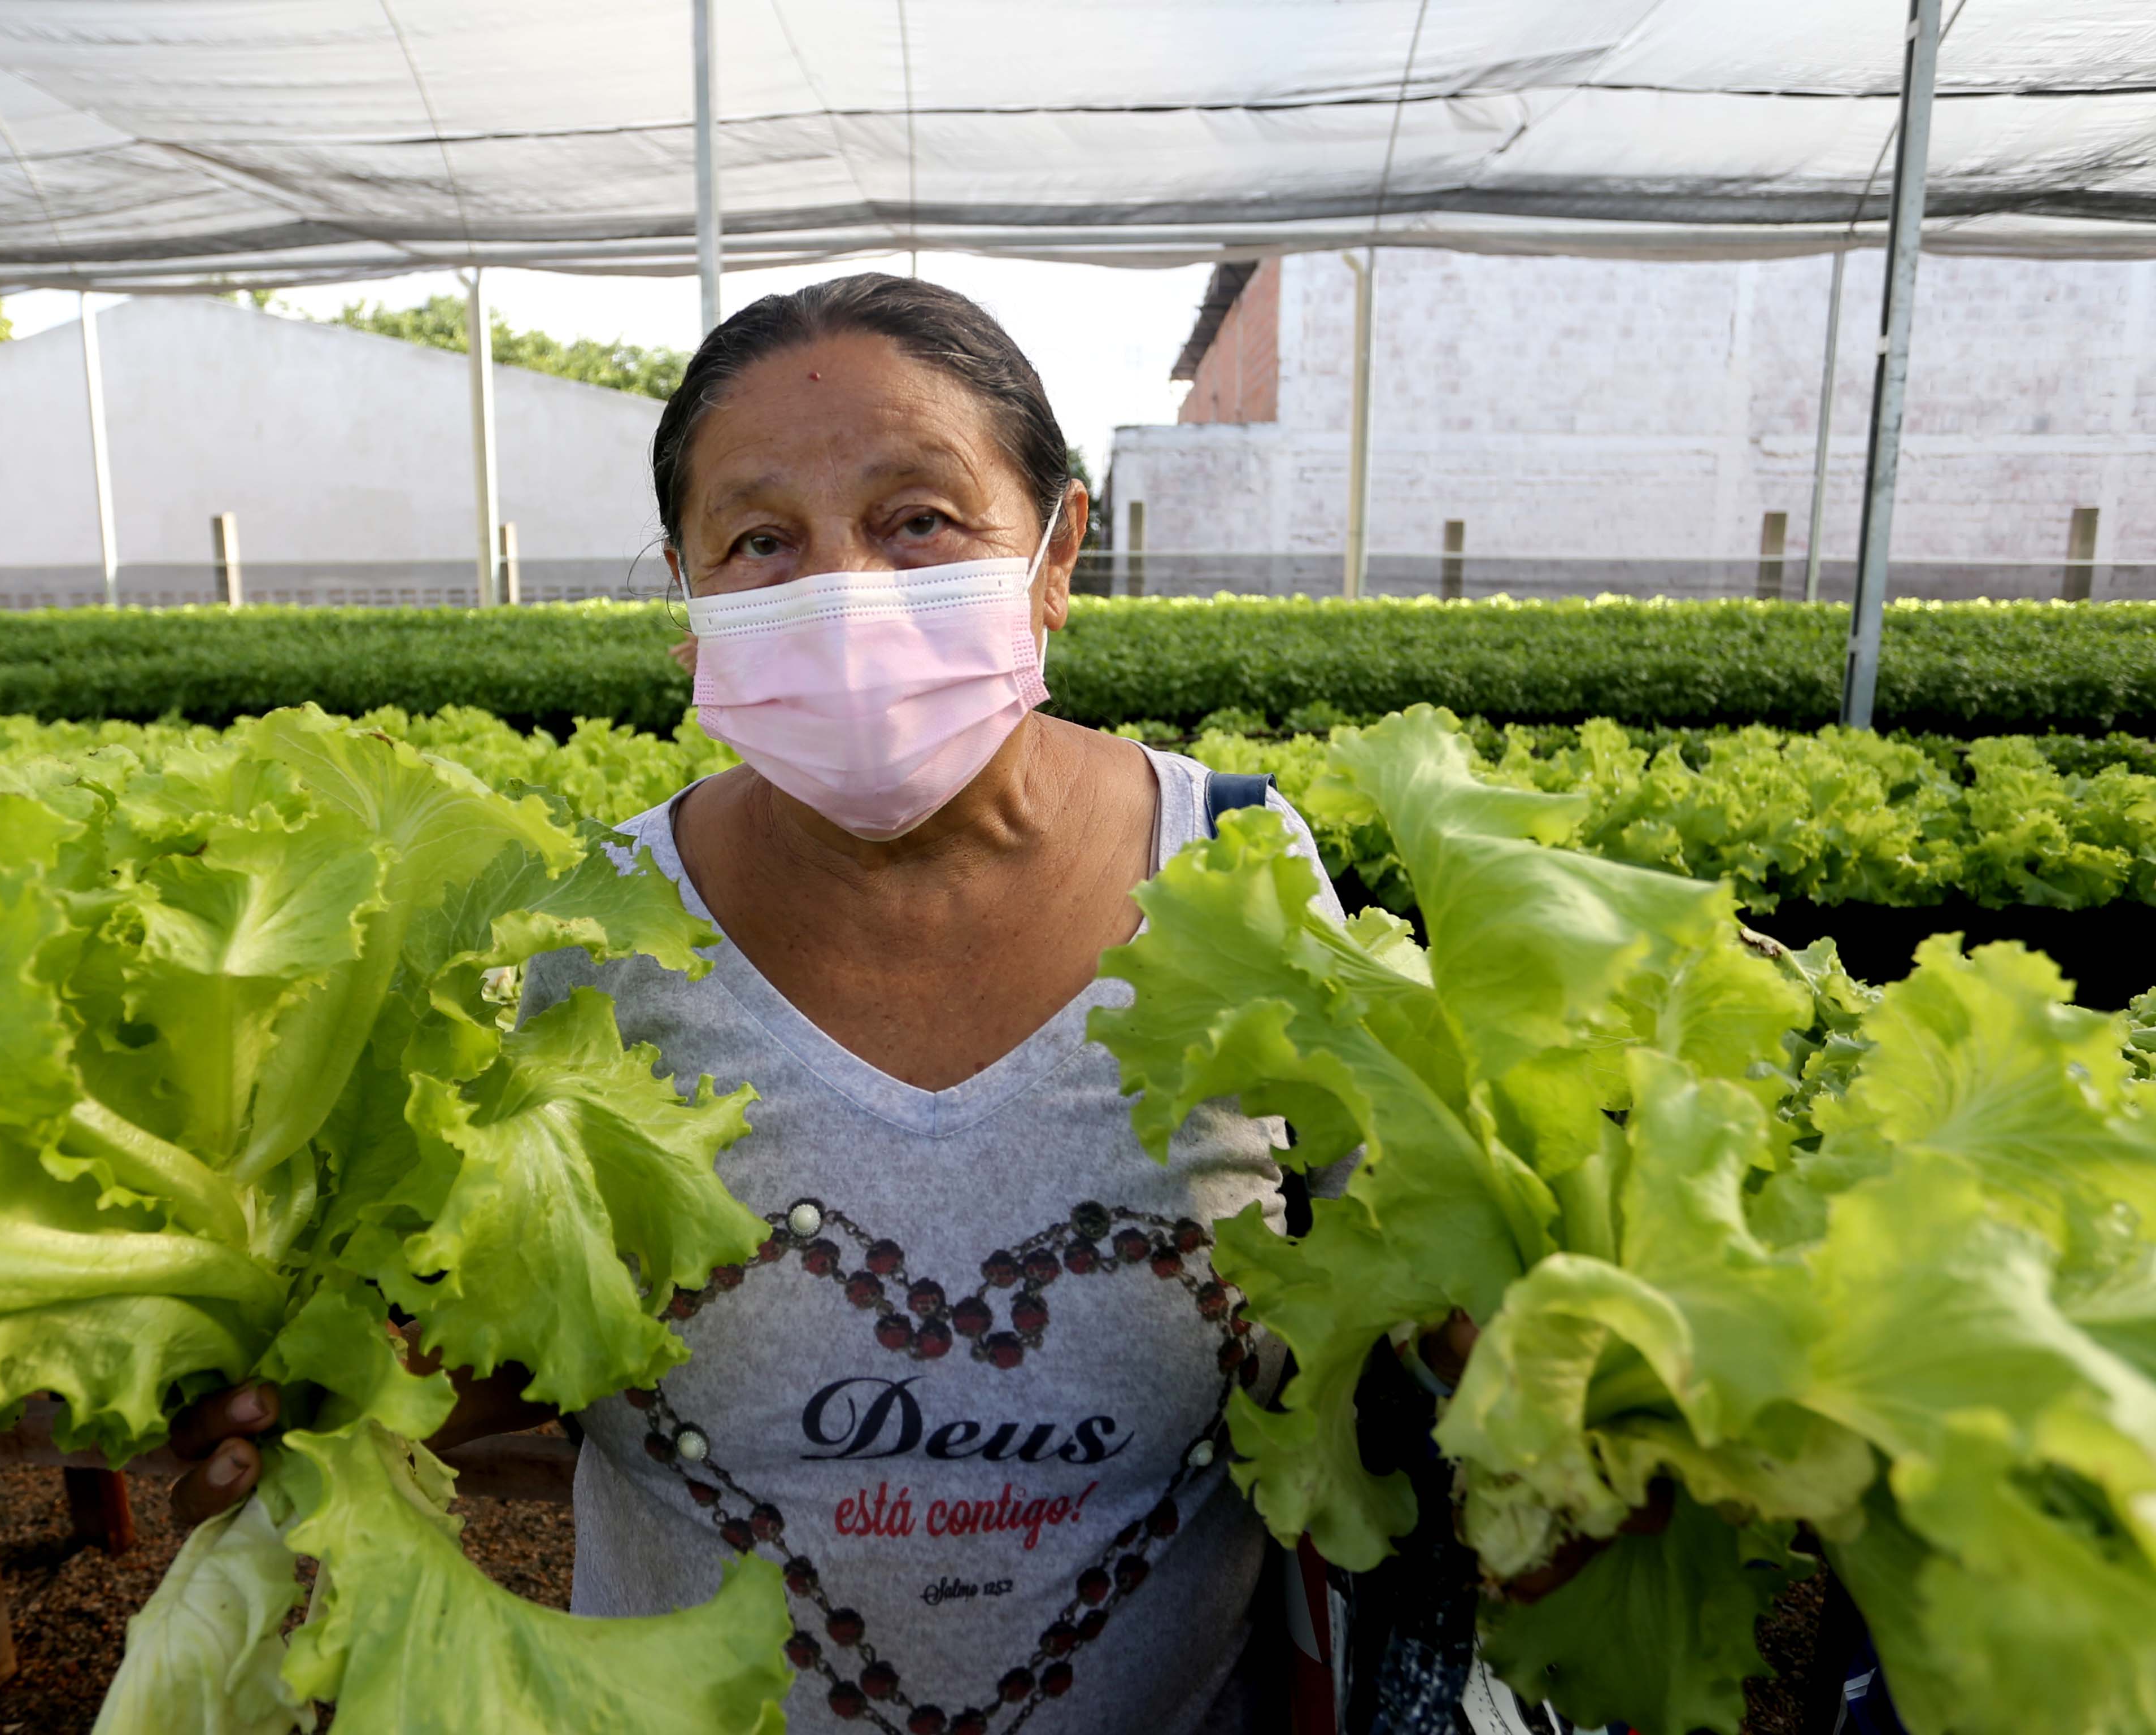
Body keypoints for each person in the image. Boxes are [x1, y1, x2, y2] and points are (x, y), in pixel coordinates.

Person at [172, 273, 1356, 1734]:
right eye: (759, 541)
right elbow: (522, 1337)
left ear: (1059, 550)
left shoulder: (1245, 869)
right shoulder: (602, 936)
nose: (844, 593)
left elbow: (1382, 1303)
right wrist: (319, 1392)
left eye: (919, 520)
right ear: (684, 593)